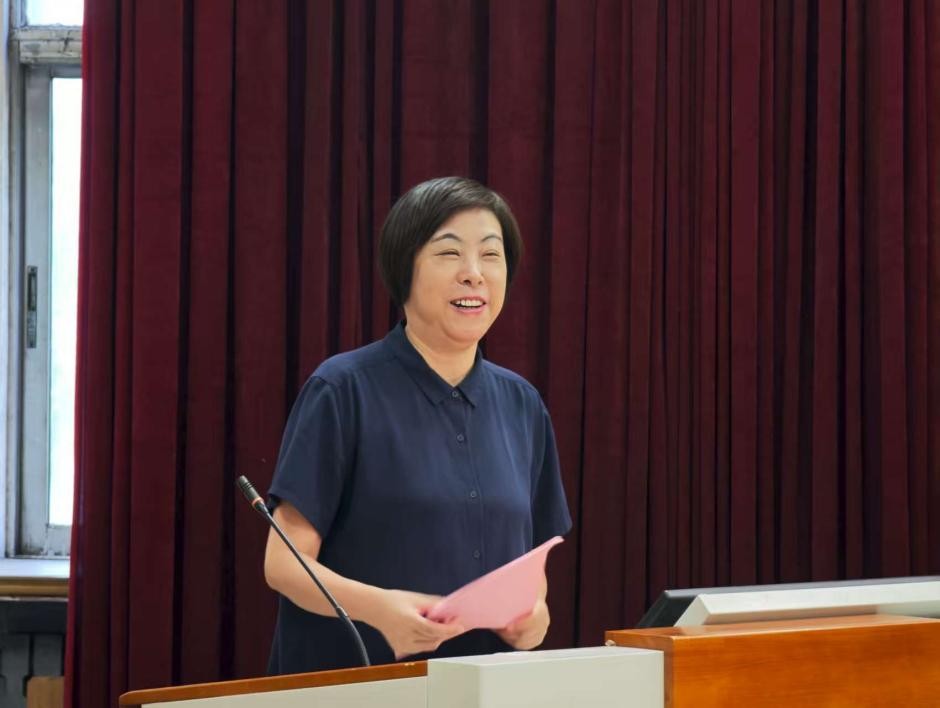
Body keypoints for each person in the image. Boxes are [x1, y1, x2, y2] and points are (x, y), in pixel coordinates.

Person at [264, 176, 572, 674]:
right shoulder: (342, 390)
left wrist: (536, 614)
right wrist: (379, 610)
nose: (474, 274)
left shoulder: (523, 404)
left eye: (491, 256)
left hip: (483, 687)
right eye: (449, 253)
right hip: (358, 685)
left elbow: (532, 563)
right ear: (403, 268)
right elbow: (283, 565)